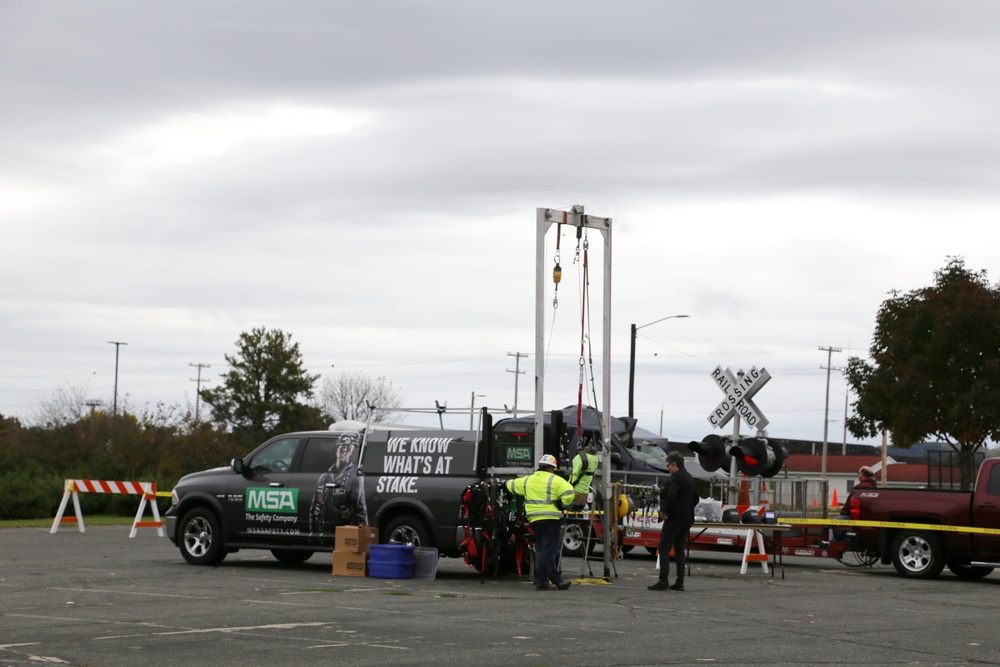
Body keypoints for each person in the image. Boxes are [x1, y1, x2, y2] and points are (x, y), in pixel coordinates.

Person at [505, 454, 577, 591]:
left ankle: (556, 580)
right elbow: (569, 492)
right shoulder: (556, 480)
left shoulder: (527, 480)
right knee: (548, 552)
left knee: (543, 550)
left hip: (534, 521)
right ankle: (543, 582)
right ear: (551, 468)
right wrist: (563, 504)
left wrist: (504, 483)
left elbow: (510, 485)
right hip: (551, 520)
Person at [648, 452, 698, 592]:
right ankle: (679, 582)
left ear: (674, 464)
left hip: (674, 518)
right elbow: (696, 498)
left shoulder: (676, 478)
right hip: (687, 518)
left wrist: (664, 511)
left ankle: (663, 580)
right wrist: (687, 509)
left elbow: (670, 495)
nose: (668, 467)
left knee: (663, 548)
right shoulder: (689, 477)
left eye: (668, 465)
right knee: (679, 550)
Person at [309, 432, 368, 537]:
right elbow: (314, 509)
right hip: (322, 533)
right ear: (336, 449)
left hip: (344, 533)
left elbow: (360, 511)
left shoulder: (356, 476)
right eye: (341, 446)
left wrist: (363, 537)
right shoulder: (324, 477)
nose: (343, 450)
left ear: (353, 451)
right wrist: (313, 533)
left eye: (347, 447)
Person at [832, 466, 877, 541]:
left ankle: (838, 540)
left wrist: (843, 513)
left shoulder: (858, 488)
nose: (858, 475)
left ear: (862, 474)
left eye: (858, 473)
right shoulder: (875, 488)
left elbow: (849, 503)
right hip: (868, 517)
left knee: (835, 521)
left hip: (855, 516)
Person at [569, 435, 600, 507]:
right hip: (585, 493)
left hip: (575, 490)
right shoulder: (596, 459)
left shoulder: (579, 458)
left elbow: (575, 473)